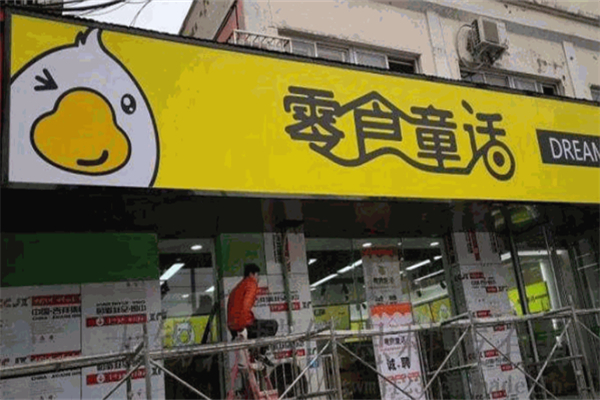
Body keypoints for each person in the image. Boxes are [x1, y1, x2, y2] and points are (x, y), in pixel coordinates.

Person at [227, 263, 278, 366]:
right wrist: (243, 328)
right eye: (257, 275)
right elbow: (246, 306)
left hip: (233, 327)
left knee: (259, 326)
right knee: (273, 325)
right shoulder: (251, 284)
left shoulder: (238, 287)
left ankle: (255, 351)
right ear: (252, 274)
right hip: (242, 324)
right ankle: (260, 354)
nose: (258, 278)